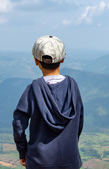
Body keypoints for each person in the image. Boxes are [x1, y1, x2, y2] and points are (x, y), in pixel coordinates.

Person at [12, 35, 84, 169]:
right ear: (62, 59)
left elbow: (18, 124)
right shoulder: (73, 86)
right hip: (70, 161)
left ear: (36, 60)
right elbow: (79, 122)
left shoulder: (33, 89)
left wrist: (23, 151)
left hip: (39, 162)